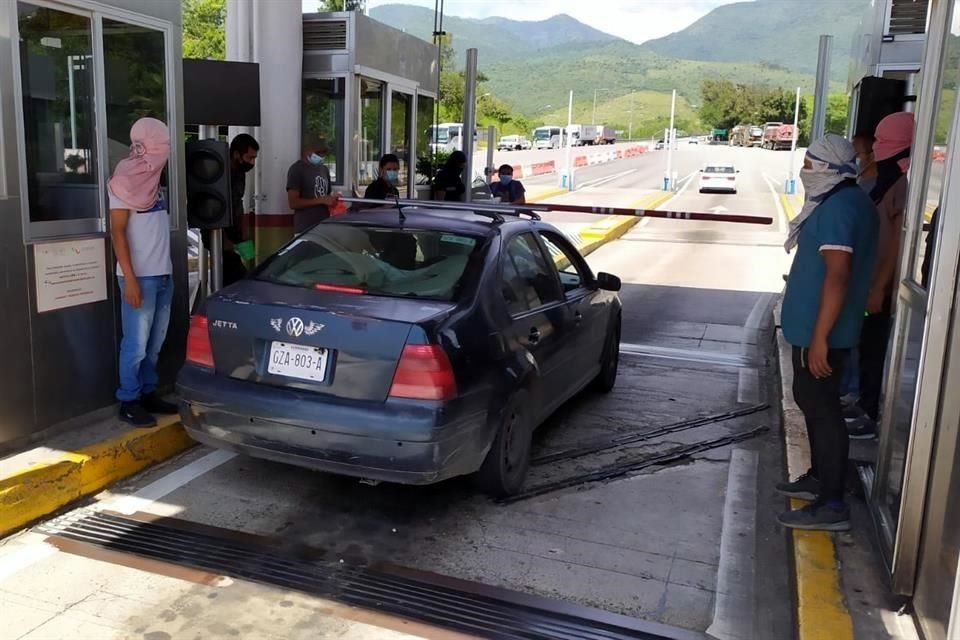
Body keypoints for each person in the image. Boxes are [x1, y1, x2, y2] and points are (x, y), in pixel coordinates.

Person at [776, 134, 879, 531]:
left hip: (823, 333)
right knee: (811, 400)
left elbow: (837, 277)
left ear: (827, 169)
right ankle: (821, 478)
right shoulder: (842, 201)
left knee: (823, 410)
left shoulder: (839, 208)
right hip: (814, 328)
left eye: (809, 163)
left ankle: (832, 502)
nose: (804, 171)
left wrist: (820, 337)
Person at [847, 112, 914, 440]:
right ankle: (862, 403)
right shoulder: (887, 181)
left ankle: (870, 414)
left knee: (874, 350)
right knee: (865, 345)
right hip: (870, 281)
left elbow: (897, 245)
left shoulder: (899, 185)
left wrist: (880, 287)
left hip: (880, 287)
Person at [108, 117, 179, 427]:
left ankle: (148, 392)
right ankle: (129, 399)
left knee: (155, 343)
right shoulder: (124, 180)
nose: (165, 150)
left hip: (163, 273)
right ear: (146, 145)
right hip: (139, 278)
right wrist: (131, 280)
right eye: (161, 143)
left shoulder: (154, 180)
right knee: (135, 345)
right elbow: (118, 233)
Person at [203, 134, 258, 286]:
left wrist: (244, 227)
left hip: (235, 230)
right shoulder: (218, 172)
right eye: (249, 157)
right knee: (235, 276)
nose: (252, 162)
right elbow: (210, 207)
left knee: (250, 263)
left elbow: (238, 200)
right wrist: (222, 237)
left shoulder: (240, 172)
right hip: (218, 232)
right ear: (236, 154)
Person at [286, 138, 340, 233]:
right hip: (305, 228)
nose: (322, 156)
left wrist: (332, 200)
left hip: (323, 227)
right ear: (306, 151)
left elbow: (326, 196)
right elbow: (293, 203)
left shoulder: (324, 169)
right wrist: (321, 200)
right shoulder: (297, 169)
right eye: (318, 152)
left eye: (324, 152)